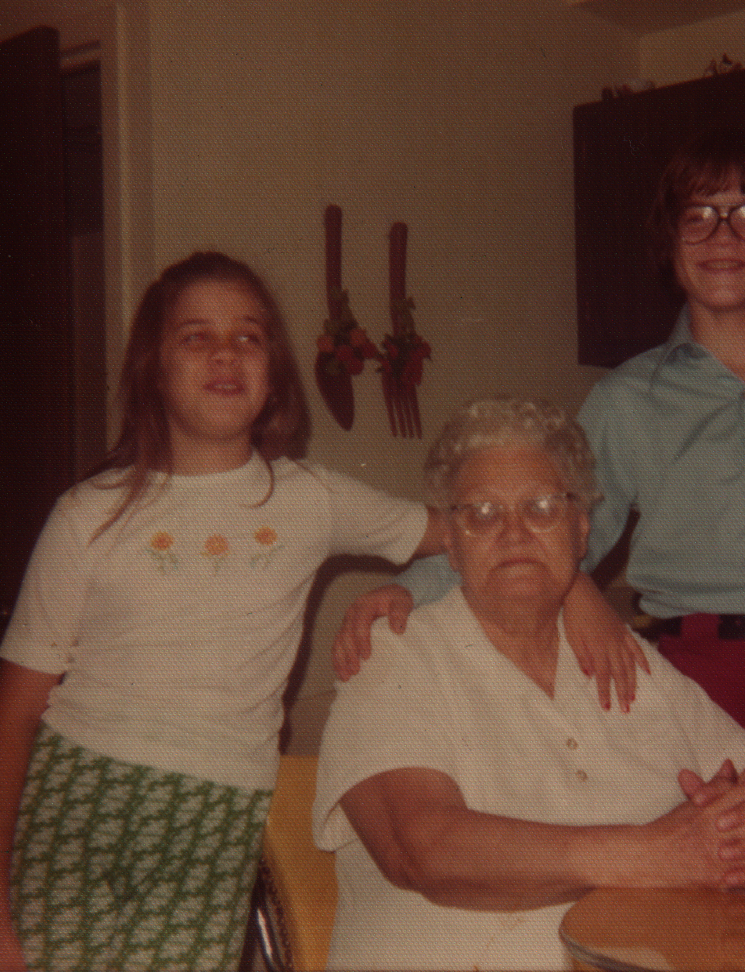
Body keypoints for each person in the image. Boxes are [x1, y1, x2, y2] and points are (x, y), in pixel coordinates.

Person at [334, 129, 745, 833]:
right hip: (703, 684)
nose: (723, 237)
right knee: (727, 882)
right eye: (698, 216)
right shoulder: (626, 399)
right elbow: (541, 529)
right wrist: (410, 590)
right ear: (670, 243)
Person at [0, 252, 446, 972]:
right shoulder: (86, 515)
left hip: (219, 805)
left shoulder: (311, 499)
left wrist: (411, 588)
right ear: (154, 368)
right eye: (195, 336)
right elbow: (14, 714)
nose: (225, 353)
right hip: (77, 796)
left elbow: (474, 535)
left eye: (248, 336)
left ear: (273, 375)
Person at [313, 397, 745, 971]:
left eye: (541, 507)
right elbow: (423, 849)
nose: (513, 533)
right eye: (482, 513)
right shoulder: (394, 655)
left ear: (581, 532)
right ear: (450, 543)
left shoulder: (622, 655)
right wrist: (658, 854)